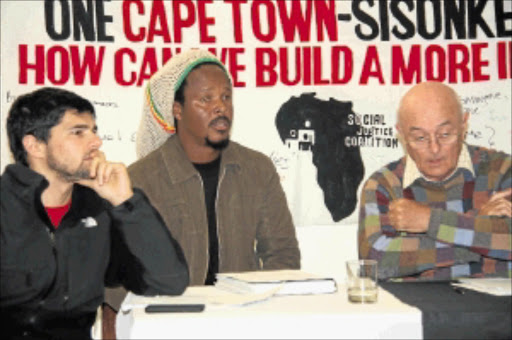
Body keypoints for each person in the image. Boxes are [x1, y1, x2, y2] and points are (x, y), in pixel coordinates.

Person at [0, 87, 189, 339]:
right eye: (78, 132)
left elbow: (169, 281)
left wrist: (125, 202)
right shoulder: (5, 207)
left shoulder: (98, 210)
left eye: (94, 130)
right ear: (35, 146)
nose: (96, 142)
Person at [358, 81, 511, 280]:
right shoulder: (383, 184)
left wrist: (429, 220)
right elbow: (375, 261)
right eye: (420, 138)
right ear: (402, 135)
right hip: (417, 308)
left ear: (464, 124)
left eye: (445, 134)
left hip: (497, 309)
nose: (434, 148)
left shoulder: (502, 170)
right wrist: (478, 227)